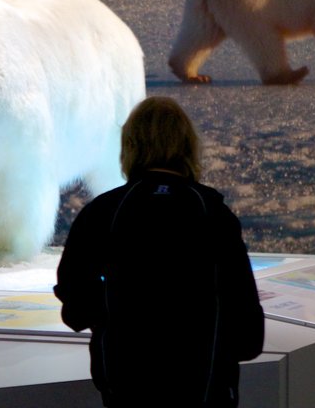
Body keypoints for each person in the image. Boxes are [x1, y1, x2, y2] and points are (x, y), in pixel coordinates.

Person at [55, 96, 263, 407]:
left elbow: (75, 303)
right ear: (187, 145)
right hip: (204, 385)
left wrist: (111, 319)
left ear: (131, 146)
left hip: (126, 384)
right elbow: (246, 327)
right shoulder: (212, 212)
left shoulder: (104, 212)